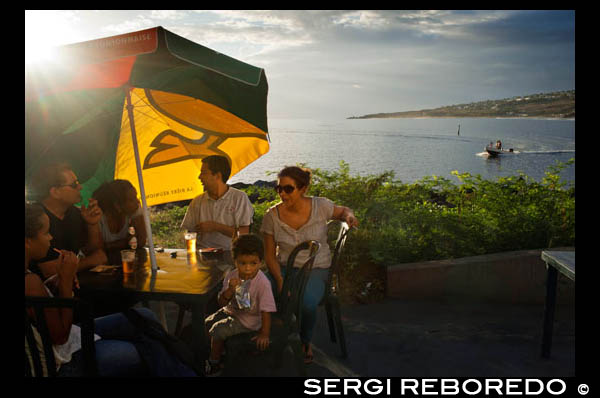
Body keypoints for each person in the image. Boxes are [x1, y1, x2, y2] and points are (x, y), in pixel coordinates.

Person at [25, 202, 196, 377]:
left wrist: (57, 282)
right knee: (146, 346)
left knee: (144, 317)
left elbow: (42, 316)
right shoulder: (29, 282)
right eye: (46, 232)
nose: (51, 238)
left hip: (69, 340)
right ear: (27, 242)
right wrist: (66, 282)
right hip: (61, 364)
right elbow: (60, 336)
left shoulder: (30, 277)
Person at [260, 166, 359, 364]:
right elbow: (269, 256)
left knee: (306, 302)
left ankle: (304, 341)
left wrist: (349, 217)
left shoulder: (320, 206)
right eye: (279, 189)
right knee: (257, 290)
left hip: (317, 268)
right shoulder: (271, 216)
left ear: (303, 189)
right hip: (285, 269)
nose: (282, 193)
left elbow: (344, 211)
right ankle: (264, 334)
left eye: (288, 189)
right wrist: (279, 281)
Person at [204, 234, 276, 376]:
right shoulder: (231, 276)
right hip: (231, 311)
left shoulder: (262, 283)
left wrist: (264, 333)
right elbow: (221, 303)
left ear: (260, 262)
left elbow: (266, 310)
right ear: (235, 261)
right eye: (243, 263)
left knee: (217, 330)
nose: (248, 268)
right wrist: (230, 290)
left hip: (249, 320)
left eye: (253, 263)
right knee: (206, 324)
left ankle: (215, 364)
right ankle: (220, 350)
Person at [28, 162, 107, 280]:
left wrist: (92, 224)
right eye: (74, 185)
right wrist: (90, 261)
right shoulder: (35, 217)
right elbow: (48, 271)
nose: (80, 187)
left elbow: (94, 250)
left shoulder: (73, 213)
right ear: (55, 192)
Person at [180, 155, 254, 250]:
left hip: (230, 254)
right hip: (203, 255)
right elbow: (188, 232)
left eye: (204, 173)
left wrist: (216, 227)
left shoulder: (239, 198)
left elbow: (243, 234)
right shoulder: (197, 202)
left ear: (218, 176)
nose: (199, 177)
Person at [92, 179, 147, 255]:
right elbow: (97, 249)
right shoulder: (98, 218)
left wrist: (110, 245)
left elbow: (141, 241)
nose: (137, 201)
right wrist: (126, 242)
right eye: (132, 199)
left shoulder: (135, 210)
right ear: (117, 205)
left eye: (136, 196)